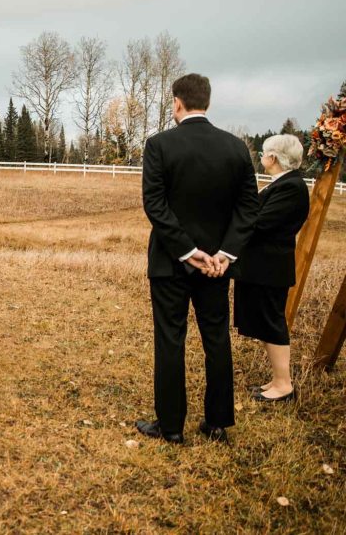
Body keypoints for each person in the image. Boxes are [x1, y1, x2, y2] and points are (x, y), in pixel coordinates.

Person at [136, 73, 259, 445]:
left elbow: (155, 206)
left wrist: (188, 251)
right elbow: (249, 207)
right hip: (217, 268)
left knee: (170, 339)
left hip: (171, 262)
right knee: (216, 339)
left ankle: (171, 426)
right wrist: (224, 253)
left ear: (177, 102)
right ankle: (218, 423)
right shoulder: (236, 148)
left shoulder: (159, 145)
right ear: (206, 101)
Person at [234, 135, 310, 403]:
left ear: (274, 157)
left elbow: (261, 223)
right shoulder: (283, 184)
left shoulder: (291, 187)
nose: (261, 156)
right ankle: (277, 380)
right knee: (266, 323)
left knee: (272, 323)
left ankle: (284, 385)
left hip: (270, 267)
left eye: (264, 152)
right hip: (263, 266)